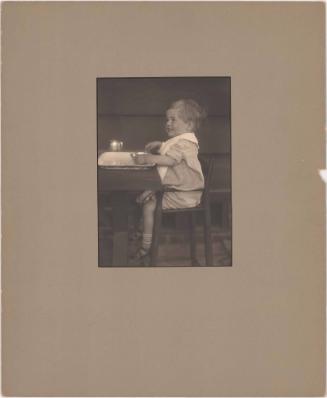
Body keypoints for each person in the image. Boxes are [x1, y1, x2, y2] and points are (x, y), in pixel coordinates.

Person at [131, 99, 206, 264]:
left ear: (189, 125)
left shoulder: (186, 143)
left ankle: (146, 245)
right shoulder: (181, 140)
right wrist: (161, 144)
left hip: (185, 194)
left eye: (173, 120)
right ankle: (141, 232)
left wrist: (149, 158)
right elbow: (172, 148)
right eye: (167, 119)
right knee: (144, 196)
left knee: (149, 204)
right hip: (177, 188)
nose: (168, 123)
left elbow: (171, 160)